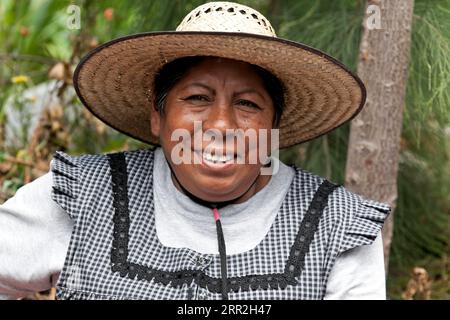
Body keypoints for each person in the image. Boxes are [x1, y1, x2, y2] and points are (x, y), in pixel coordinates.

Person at [0, 1, 390, 300]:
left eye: (248, 104)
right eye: (198, 97)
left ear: (274, 127)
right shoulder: (84, 196)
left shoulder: (336, 226)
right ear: (158, 116)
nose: (221, 125)